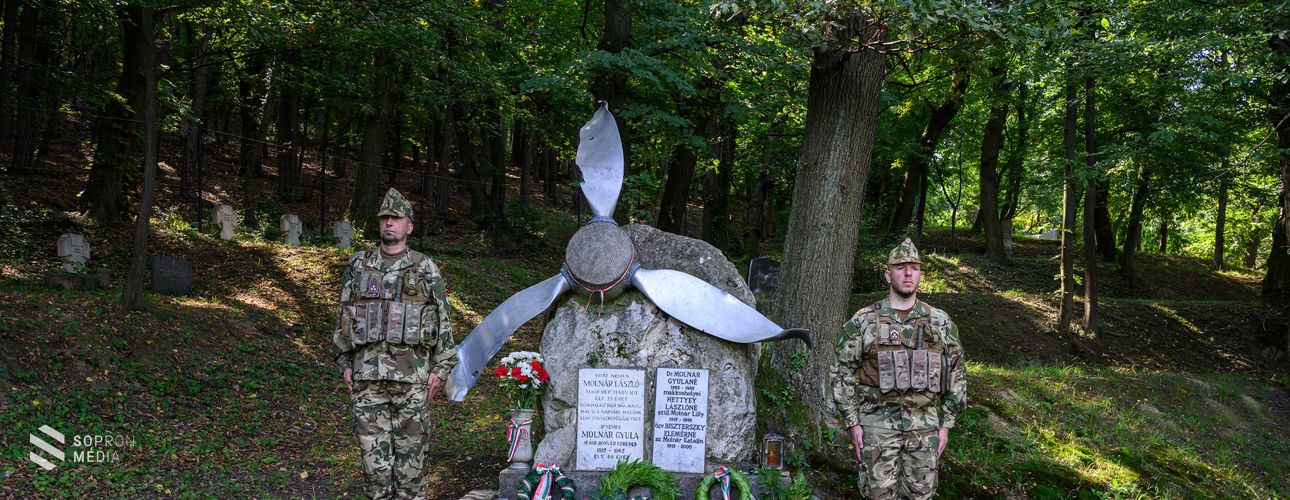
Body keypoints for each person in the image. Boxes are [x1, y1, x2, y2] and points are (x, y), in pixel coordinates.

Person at [333, 188, 458, 499]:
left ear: (408, 226)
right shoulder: (359, 265)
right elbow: (345, 316)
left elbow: (443, 321)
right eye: (384, 218)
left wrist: (441, 370)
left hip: (413, 383)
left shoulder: (425, 267)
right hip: (368, 381)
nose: (389, 223)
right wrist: (344, 362)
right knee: (374, 470)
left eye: (396, 218)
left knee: (412, 470)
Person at [830, 238, 967, 499]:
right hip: (877, 429)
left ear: (920, 275)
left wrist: (946, 425)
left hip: (924, 428)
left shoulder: (939, 322)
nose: (908, 273)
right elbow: (841, 371)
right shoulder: (865, 321)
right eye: (901, 267)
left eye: (914, 268)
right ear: (887, 275)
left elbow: (957, 372)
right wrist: (852, 423)